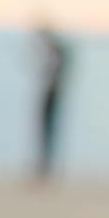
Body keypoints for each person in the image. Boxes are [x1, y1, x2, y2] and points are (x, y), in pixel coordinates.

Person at [33, 18, 70, 181]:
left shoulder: (55, 50)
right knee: (46, 130)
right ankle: (45, 166)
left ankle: (46, 167)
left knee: (47, 130)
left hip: (51, 93)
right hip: (52, 92)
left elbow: (54, 72)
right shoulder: (55, 50)